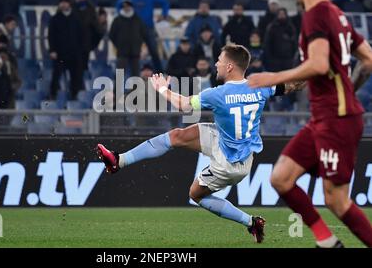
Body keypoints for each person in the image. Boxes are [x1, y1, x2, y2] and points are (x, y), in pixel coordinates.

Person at [97, 44, 303, 243]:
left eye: (220, 61)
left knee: (195, 194)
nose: (216, 64)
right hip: (234, 146)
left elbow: (183, 105)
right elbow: (293, 85)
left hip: (228, 162)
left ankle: (251, 222)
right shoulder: (260, 87)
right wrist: (313, 73)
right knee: (177, 135)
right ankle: (118, 160)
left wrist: (162, 90)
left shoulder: (217, 94)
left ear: (230, 66)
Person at [248, 0, 372, 248]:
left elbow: (317, 64)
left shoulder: (315, 16)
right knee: (280, 178)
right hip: (325, 118)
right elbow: (368, 60)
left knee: (336, 200)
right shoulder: (339, 15)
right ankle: (327, 241)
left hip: (335, 120)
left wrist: (273, 77)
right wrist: (349, 89)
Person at [117, 0, 169, 72]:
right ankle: (130, 72)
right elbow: (119, 4)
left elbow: (165, 2)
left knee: (154, 51)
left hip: (148, 27)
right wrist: (122, 15)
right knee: (131, 51)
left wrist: (164, 14)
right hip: (134, 28)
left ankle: (160, 72)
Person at [48, 0, 83, 100]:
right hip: (59, 54)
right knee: (56, 75)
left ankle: (74, 96)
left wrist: (79, 51)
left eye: (65, 3)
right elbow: (51, 36)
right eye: (61, 3)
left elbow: (81, 36)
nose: (63, 5)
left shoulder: (76, 19)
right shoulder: (55, 19)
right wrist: (52, 50)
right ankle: (53, 95)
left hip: (73, 54)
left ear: (69, 5)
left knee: (75, 77)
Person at [109, 0, 147, 78]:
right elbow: (112, 34)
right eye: (124, 6)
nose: (126, 8)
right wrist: (119, 44)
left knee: (136, 75)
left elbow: (143, 34)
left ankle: (136, 90)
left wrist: (138, 44)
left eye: (128, 6)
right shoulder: (117, 20)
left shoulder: (138, 20)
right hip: (122, 52)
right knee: (119, 74)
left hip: (135, 52)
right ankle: (117, 91)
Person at [73, 0, 104, 72]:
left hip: (85, 46)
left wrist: (92, 44)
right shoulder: (70, 8)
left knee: (83, 70)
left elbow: (97, 28)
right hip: (71, 45)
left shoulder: (91, 9)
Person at [263, 8, 298, 72]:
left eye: (283, 14)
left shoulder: (290, 27)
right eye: (280, 14)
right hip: (275, 59)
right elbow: (267, 44)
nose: (281, 15)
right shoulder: (272, 27)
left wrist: (293, 57)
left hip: (288, 60)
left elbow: (294, 43)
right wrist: (270, 58)